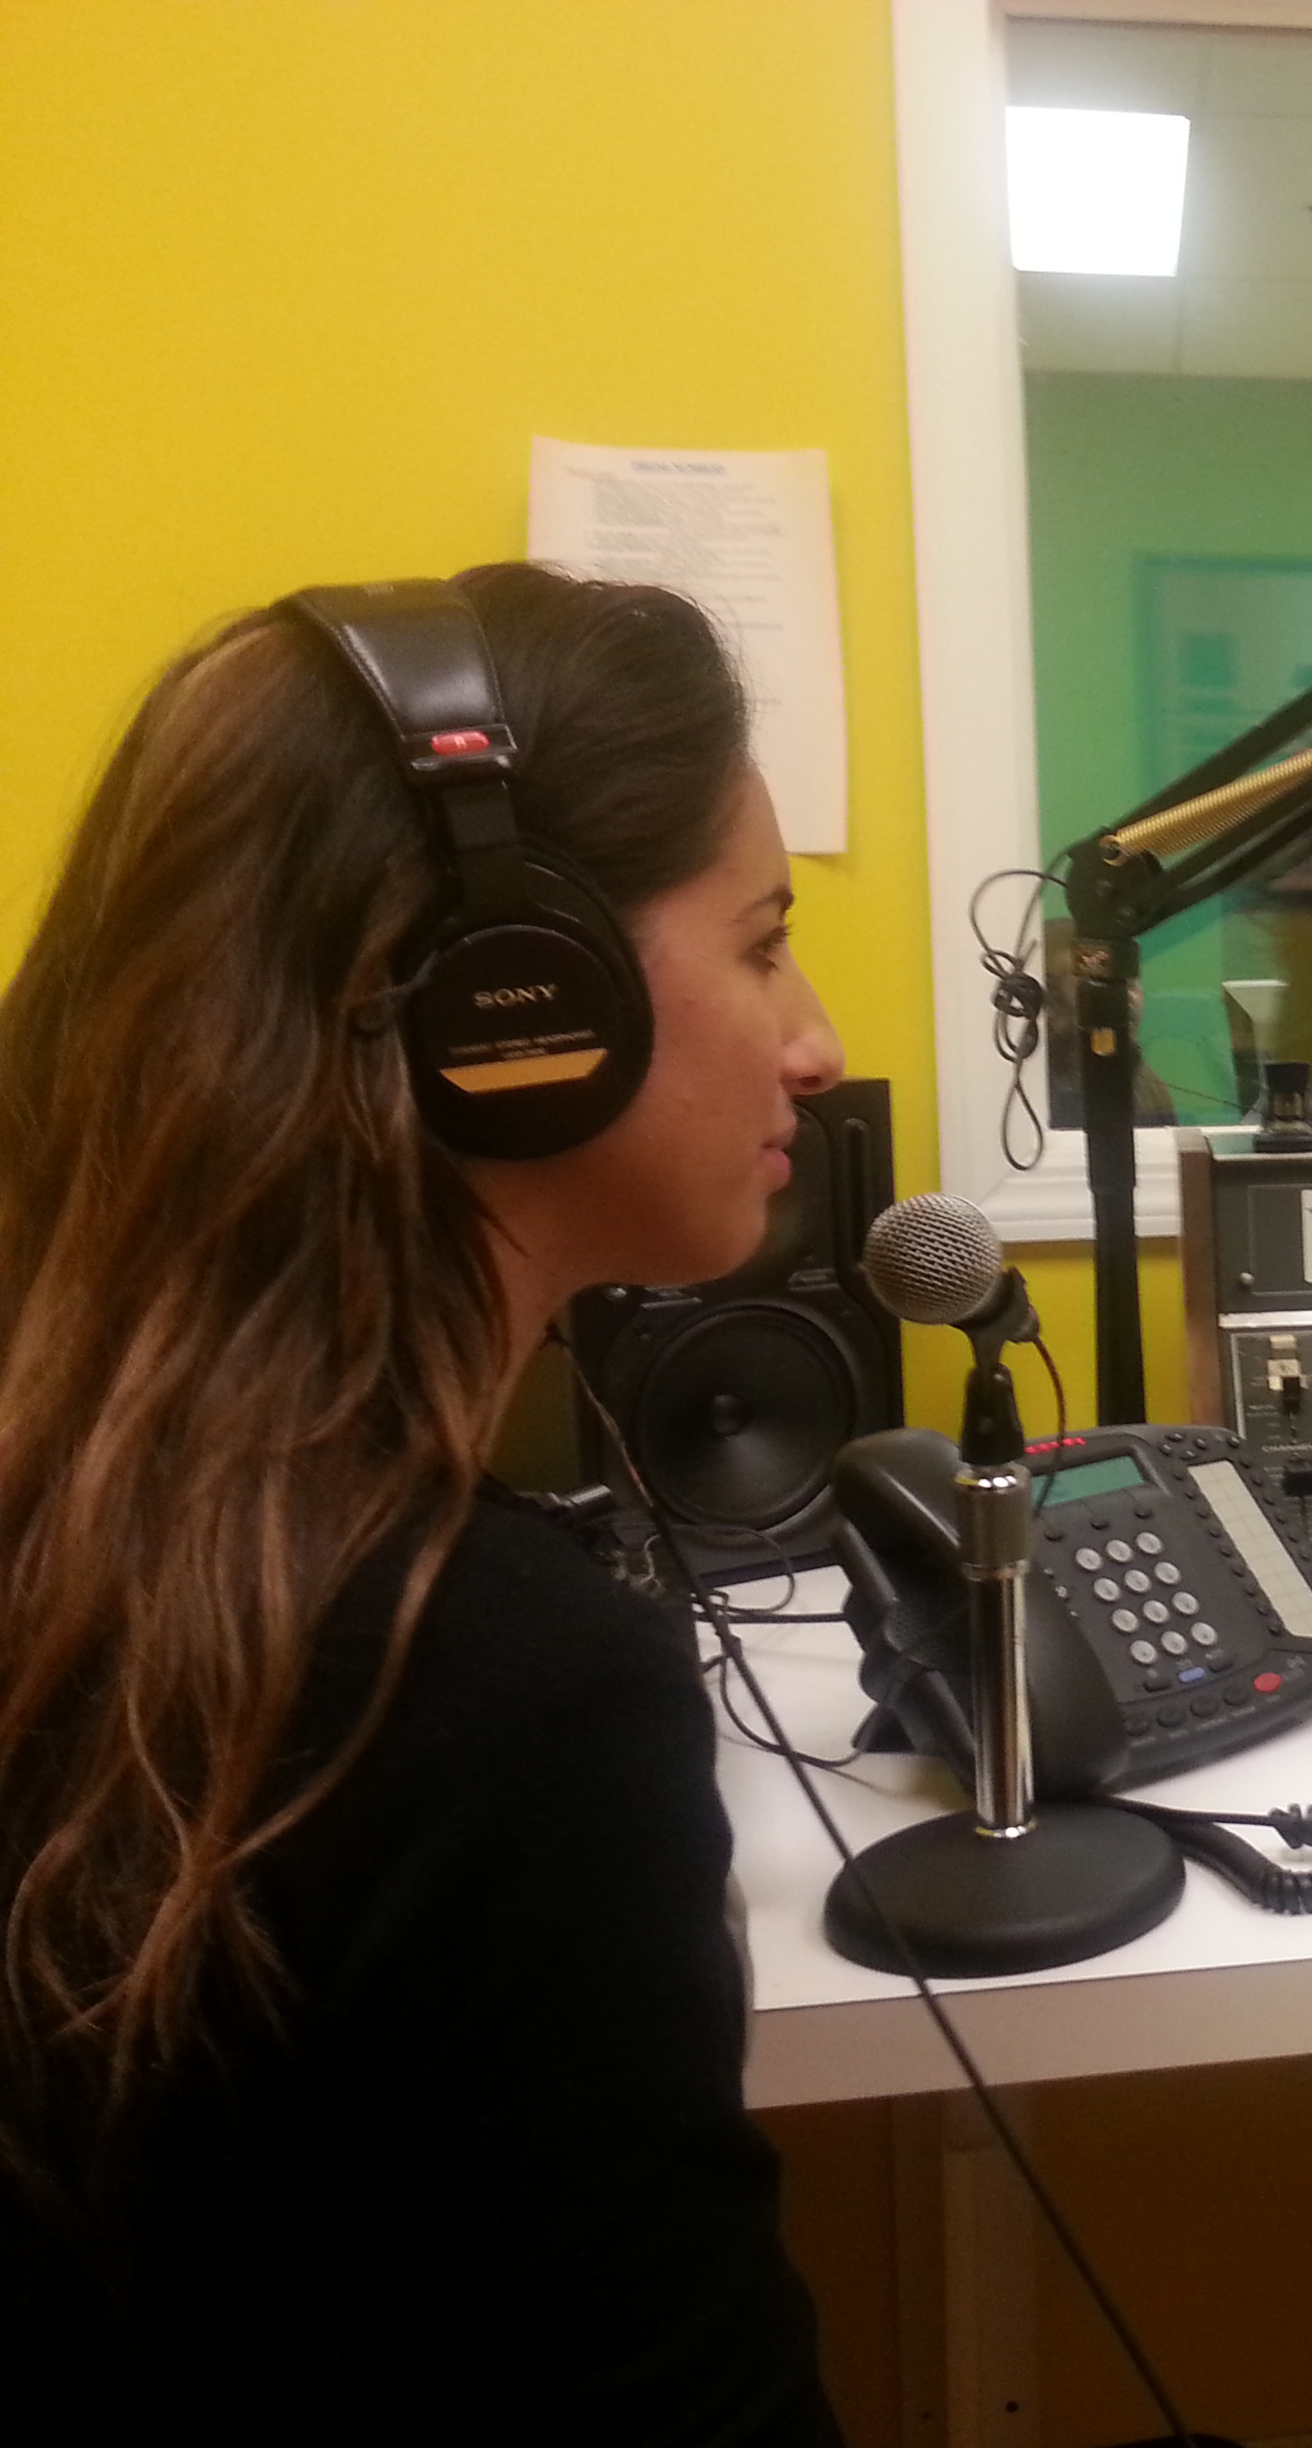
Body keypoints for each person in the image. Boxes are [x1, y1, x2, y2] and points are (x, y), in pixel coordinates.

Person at [0, 564, 849, 2442]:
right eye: (764, 944)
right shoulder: (497, 1690)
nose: (817, 1044)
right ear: (514, 995)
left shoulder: (101, 1526)